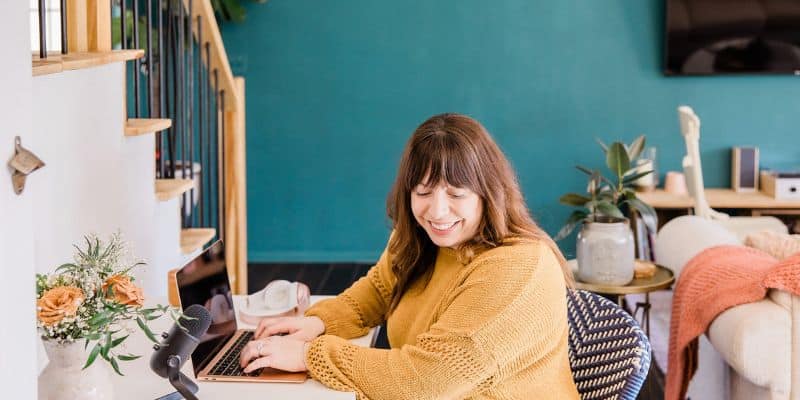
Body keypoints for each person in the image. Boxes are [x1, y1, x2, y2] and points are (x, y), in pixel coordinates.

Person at [240, 113, 579, 399]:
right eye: (424, 192)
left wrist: (309, 355)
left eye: (456, 194)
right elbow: (378, 290)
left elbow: (427, 380)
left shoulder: (518, 266)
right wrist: (318, 323)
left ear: (488, 194)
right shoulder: (422, 237)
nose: (438, 212)